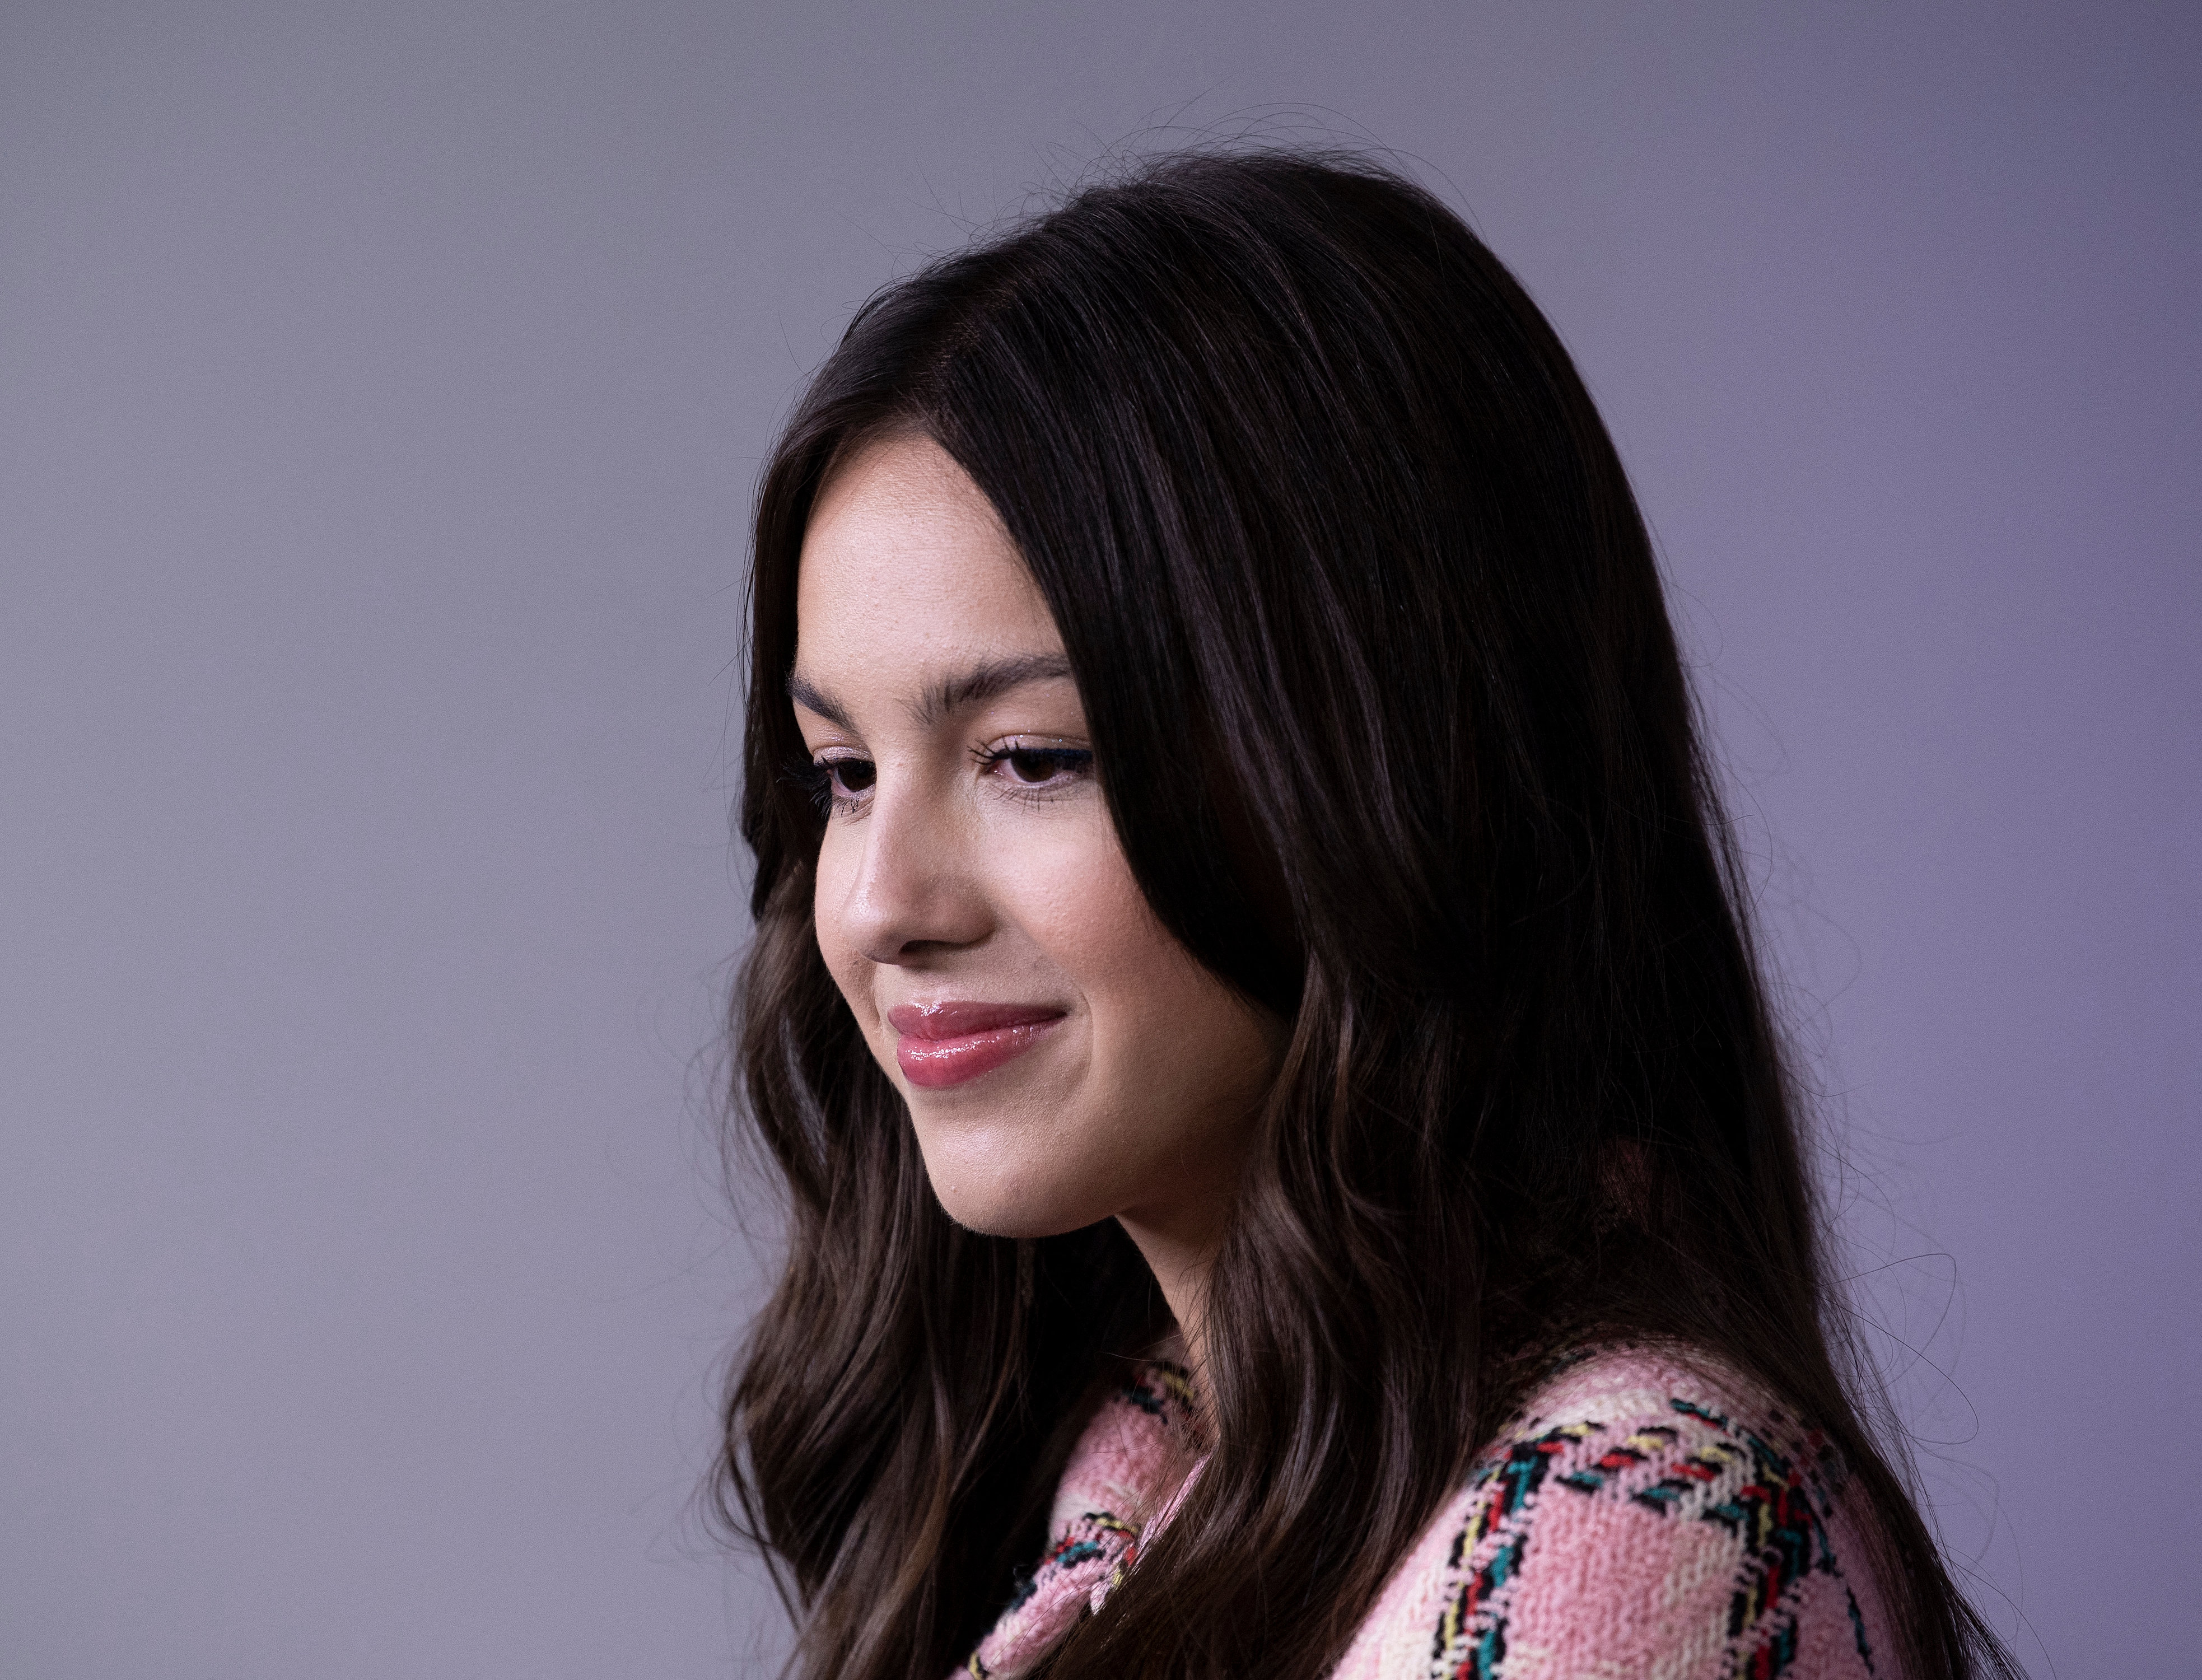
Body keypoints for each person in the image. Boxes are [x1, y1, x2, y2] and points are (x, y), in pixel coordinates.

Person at [716, 150, 2014, 1680]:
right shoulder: (1123, 1488)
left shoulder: (1623, 1528)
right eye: (845, 774)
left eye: (1033, 759)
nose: (878, 906)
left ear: (1388, 772)